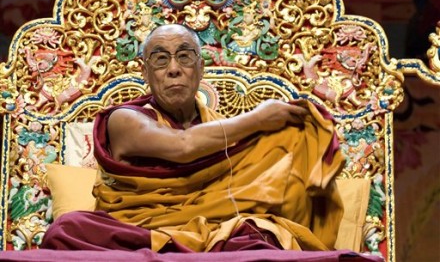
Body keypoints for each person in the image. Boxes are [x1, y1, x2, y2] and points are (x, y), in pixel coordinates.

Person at [41, 24, 345, 253]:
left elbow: (254, 185)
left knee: (263, 231)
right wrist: (259, 117)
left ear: (200, 69)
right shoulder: (124, 119)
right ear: (145, 73)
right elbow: (182, 146)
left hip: (213, 228)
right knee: (69, 228)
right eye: (161, 60)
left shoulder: (219, 132)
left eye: (184, 57)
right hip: (135, 230)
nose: (174, 69)